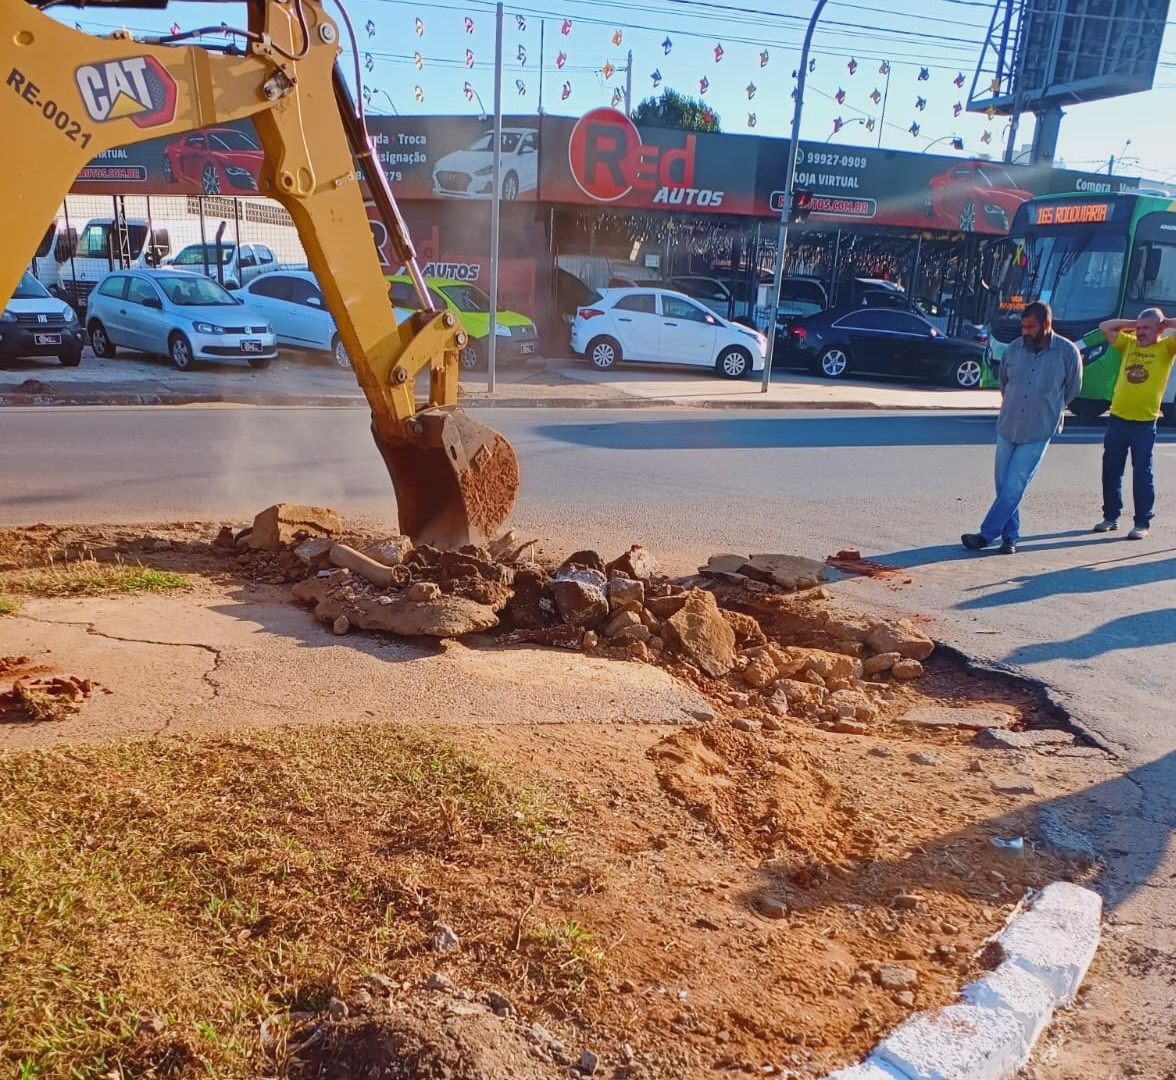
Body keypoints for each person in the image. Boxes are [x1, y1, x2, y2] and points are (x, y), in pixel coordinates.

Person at [962, 301, 1081, 554]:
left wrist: (1049, 408)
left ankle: (986, 535)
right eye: (1023, 326)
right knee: (1004, 486)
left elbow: (1072, 390)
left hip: (1039, 430)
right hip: (1008, 425)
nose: (1025, 332)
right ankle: (1010, 536)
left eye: (1030, 327)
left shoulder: (1067, 352)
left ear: (1047, 325)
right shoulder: (1014, 349)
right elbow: (1004, 381)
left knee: (1014, 486)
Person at [1092, 308, 1176, 540]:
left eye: (1146, 328)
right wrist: (1136, 321)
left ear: (1159, 330)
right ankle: (1111, 517)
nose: (1140, 332)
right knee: (1111, 471)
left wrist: (1165, 322)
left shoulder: (1166, 348)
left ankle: (1142, 523)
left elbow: (1168, 329)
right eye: (1138, 328)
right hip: (1118, 418)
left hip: (1145, 423)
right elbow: (1105, 327)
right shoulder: (1129, 344)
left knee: (1142, 474)